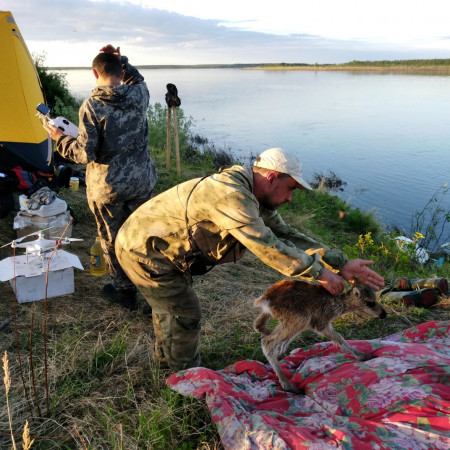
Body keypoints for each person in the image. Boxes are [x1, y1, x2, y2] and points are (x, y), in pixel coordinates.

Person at [115, 147, 384, 370]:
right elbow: (268, 246)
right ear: (272, 177)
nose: (290, 199)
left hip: (162, 247)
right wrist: (320, 274)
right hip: (144, 249)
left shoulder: (254, 196)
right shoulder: (233, 195)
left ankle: (167, 365)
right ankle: (186, 379)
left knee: (171, 309)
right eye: (290, 188)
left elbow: (285, 233)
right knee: (184, 312)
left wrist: (338, 262)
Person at [43, 44, 157, 311]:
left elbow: (85, 153)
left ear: (95, 73)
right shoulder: (140, 94)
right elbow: (136, 78)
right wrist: (121, 59)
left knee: (111, 238)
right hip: (141, 182)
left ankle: (124, 291)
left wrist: (60, 140)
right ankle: (156, 292)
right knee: (144, 237)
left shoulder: (92, 106)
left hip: (108, 188)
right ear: (121, 71)